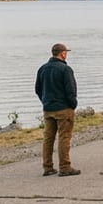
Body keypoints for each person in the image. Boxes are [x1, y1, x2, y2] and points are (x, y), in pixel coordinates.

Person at [35, 43, 80, 176]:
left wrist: (45, 101)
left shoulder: (42, 69)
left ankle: (47, 167)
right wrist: (73, 104)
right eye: (66, 52)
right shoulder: (65, 69)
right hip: (63, 108)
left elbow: (38, 89)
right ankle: (65, 166)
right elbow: (71, 90)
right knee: (64, 137)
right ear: (63, 53)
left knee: (48, 138)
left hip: (48, 108)